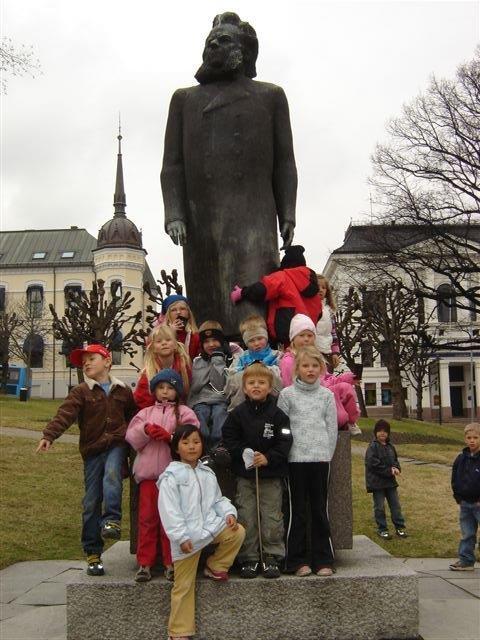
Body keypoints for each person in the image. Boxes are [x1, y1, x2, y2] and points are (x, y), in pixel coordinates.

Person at [161, 11, 298, 336]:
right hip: (202, 217)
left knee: (251, 298)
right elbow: (172, 165)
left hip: (255, 215)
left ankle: (256, 365)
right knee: (209, 305)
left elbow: (285, 161)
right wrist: (175, 214)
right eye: (210, 42)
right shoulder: (184, 100)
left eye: (223, 41)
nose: (213, 47)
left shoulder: (270, 96)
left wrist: (287, 212)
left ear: (244, 50)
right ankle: (211, 358)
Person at [36, 344, 136, 576]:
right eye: (83, 362)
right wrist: (49, 435)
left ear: (108, 361)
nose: (87, 364)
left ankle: (111, 520)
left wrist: (132, 438)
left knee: (112, 475)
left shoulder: (122, 390)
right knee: (91, 501)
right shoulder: (81, 391)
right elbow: (65, 414)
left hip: (117, 444)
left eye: (92, 359)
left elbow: (133, 416)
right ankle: (93, 552)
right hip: (92, 451)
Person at [158, 424, 245, 640]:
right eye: (185, 443)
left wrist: (228, 513)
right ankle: (178, 631)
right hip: (187, 537)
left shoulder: (207, 473)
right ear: (176, 447)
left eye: (196, 442)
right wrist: (181, 537)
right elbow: (170, 511)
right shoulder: (171, 477)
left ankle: (216, 565)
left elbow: (218, 500)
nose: (191, 447)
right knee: (183, 585)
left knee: (237, 532)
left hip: (209, 527)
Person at [126, 369, 199, 583]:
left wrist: (172, 438)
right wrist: (145, 430)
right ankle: (145, 563)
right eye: (161, 388)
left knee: (172, 521)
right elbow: (131, 436)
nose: (165, 392)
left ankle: (171, 561)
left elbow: (193, 435)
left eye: (170, 388)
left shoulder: (185, 412)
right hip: (149, 476)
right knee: (147, 519)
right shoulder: (145, 413)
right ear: (154, 391)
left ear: (177, 391)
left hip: (173, 478)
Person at [222, 363, 292, 579]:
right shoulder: (237, 415)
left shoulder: (279, 415)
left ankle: (272, 556)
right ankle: (249, 558)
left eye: (261, 383)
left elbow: (286, 439)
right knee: (247, 516)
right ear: (244, 388)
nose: (256, 386)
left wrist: (269, 458)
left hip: (271, 475)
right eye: (251, 383)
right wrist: (243, 453)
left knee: (272, 516)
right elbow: (229, 438)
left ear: (270, 387)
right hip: (245, 475)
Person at [277, 346, 337, 577]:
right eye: (305, 366)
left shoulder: (327, 396)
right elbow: (283, 428)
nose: (310, 370)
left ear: (321, 369)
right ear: (297, 369)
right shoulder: (287, 395)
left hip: (320, 459)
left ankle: (324, 559)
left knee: (320, 510)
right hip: (295, 460)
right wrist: (287, 452)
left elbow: (331, 428)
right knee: (297, 510)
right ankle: (297, 560)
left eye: (315, 366)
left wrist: (326, 453)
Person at [279, 314, 361, 434]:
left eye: (310, 335)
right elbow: (289, 386)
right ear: (293, 338)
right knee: (339, 415)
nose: (306, 339)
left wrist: (347, 378)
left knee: (346, 388)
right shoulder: (288, 360)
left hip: (324, 391)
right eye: (302, 335)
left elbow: (327, 378)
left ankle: (351, 422)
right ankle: (339, 421)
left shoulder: (317, 357)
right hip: (307, 398)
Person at [230, 245, 321, 346]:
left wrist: (243, 292)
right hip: (308, 336)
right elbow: (319, 313)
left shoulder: (284, 276)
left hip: (288, 332)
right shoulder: (314, 287)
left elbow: (262, 289)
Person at [188, 321, 232, 450]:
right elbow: (195, 386)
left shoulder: (228, 359)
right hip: (201, 400)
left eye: (214, 340)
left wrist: (217, 360)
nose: (211, 344)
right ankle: (204, 447)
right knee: (201, 415)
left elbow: (219, 385)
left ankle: (217, 447)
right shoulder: (197, 361)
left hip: (220, 399)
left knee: (220, 414)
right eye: (206, 342)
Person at [225, 315, 282, 410]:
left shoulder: (276, 355)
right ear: (246, 342)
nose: (256, 343)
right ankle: (236, 415)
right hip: (244, 399)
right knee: (241, 377)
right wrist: (245, 371)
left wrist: (265, 368)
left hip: (270, 398)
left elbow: (281, 381)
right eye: (251, 340)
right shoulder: (241, 358)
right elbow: (230, 377)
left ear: (266, 337)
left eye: (260, 338)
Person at [364, 419, 407, 540]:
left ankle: (400, 527)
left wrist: (397, 468)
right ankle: (382, 529)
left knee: (395, 505)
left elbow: (395, 461)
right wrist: (389, 471)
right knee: (379, 507)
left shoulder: (390, 447)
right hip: (377, 483)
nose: (382, 433)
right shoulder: (372, 447)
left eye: (385, 431)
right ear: (375, 432)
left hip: (390, 483)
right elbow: (373, 464)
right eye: (380, 431)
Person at [133, 325, 191, 409]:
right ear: (154, 349)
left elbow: (187, 395)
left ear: (175, 345)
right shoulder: (148, 373)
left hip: (178, 412)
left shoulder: (184, 368)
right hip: (153, 414)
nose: (164, 343)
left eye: (168, 340)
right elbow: (142, 402)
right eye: (159, 341)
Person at [449, 422, 480, 571]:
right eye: (469, 437)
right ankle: (466, 560)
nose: (472, 440)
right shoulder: (461, 459)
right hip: (465, 504)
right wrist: (458, 497)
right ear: (465, 439)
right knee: (467, 534)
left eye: (475, 437)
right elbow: (455, 478)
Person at [157, 294, 200, 360]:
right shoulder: (157, 335)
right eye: (173, 310)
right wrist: (170, 333)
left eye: (182, 309)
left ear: (188, 313)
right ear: (168, 315)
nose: (178, 312)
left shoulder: (195, 336)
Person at [315, 274, 341, 371]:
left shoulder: (329, 311)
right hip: (312, 351)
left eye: (324, 287)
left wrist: (335, 353)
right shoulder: (307, 308)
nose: (321, 290)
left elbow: (333, 333)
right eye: (318, 287)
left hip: (327, 351)